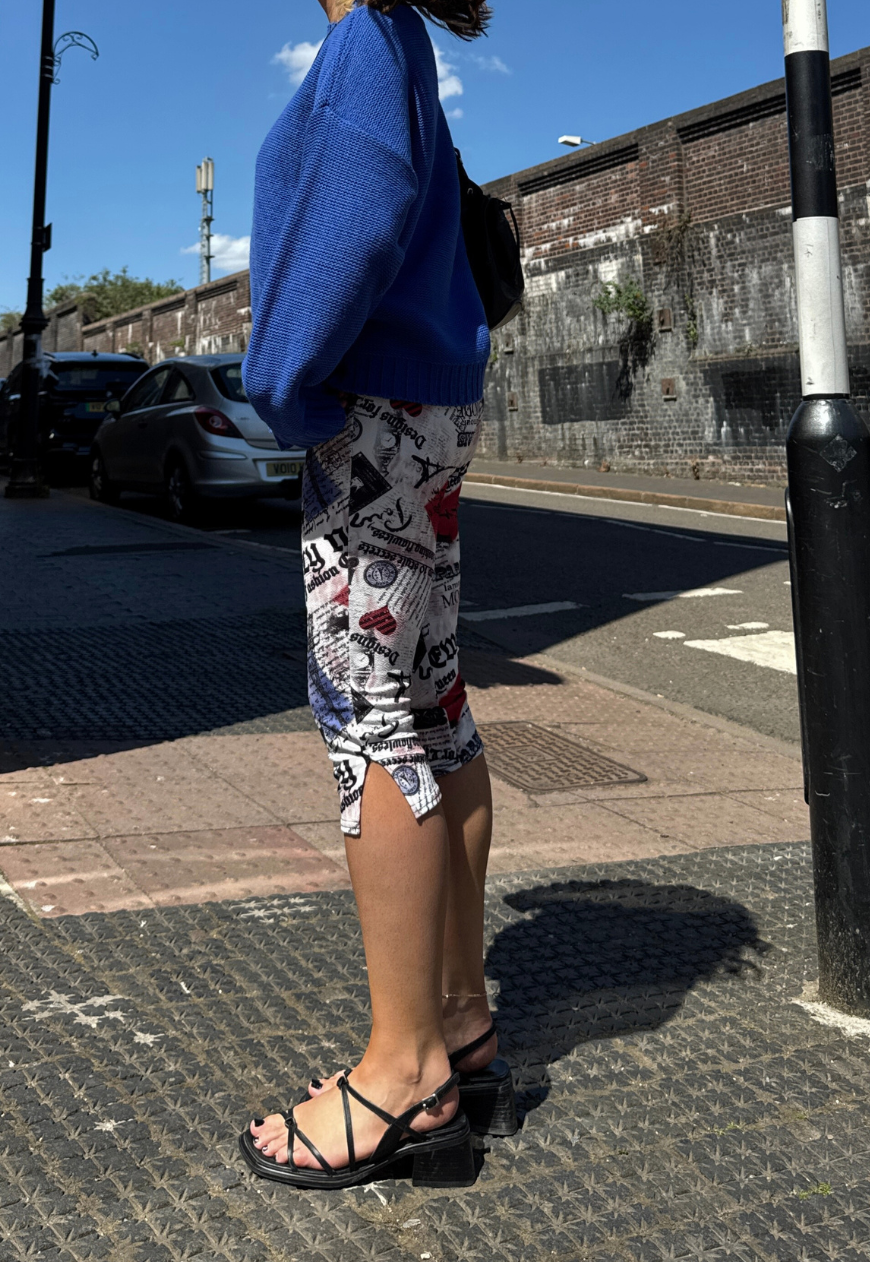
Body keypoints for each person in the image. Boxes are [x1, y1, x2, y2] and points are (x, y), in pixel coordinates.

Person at [238, 0, 508, 1189]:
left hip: (371, 421)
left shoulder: (362, 40)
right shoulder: (402, 38)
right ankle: (458, 1015)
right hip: (429, 408)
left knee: (370, 713)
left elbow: (348, 218)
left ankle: (404, 1071)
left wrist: (285, 387)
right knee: (433, 702)